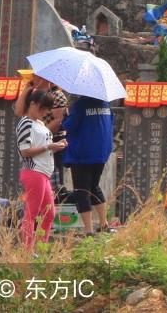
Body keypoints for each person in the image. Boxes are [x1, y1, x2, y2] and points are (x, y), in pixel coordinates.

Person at [62, 86, 113, 235]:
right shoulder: (106, 105)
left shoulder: (80, 105)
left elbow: (69, 126)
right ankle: (104, 224)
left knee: (81, 191)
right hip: (101, 152)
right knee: (94, 186)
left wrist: (66, 115)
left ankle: (88, 230)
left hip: (82, 154)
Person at [16, 89, 63, 249]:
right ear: (33, 104)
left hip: (43, 172)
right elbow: (25, 151)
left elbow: (43, 147)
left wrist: (54, 146)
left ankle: (39, 247)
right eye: (43, 109)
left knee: (49, 214)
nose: (45, 112)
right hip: (34, 172)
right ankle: (27, 250)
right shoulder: (26, 122)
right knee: (32, 213)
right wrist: (49, 146)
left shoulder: (40, 123)